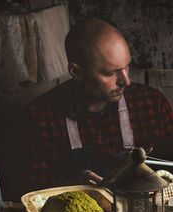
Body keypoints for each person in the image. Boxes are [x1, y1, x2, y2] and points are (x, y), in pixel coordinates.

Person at [17, 17, 173, 197]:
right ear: (76, 72)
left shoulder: (151, 104)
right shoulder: (38, 119)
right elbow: (29, 194)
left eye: (127, 67)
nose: (126, 81)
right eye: (111, 73)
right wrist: (71, 188)